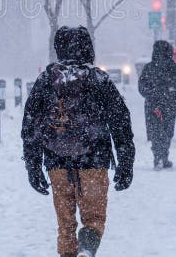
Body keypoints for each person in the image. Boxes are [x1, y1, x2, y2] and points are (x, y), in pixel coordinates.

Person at [22, 26, 135, 257]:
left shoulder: (46, 80)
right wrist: (125, 162)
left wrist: (33, 166)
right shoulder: (99, 79)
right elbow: (120, 123)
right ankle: (86, 249)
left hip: (57, 162)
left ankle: (71, 253)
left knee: (65, 225)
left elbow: (30, 126)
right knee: (93, 219)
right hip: (94, 160)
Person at [139, 41, 176, 169]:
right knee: (167, 131)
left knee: (155, 132)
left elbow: (142, 87)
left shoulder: (149, 67)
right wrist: (174, 95)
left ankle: (157, 156)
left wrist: (152, 95)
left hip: (153, 106)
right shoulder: (174, 67)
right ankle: (163, 156)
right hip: (169, 105)